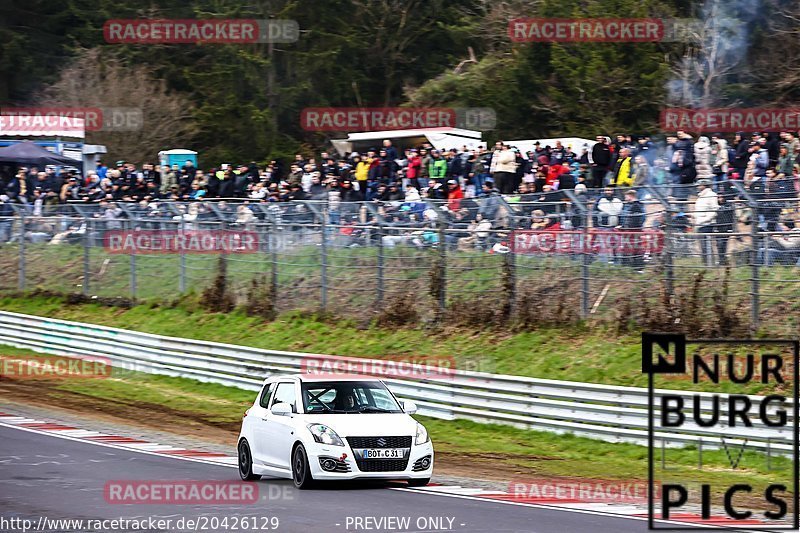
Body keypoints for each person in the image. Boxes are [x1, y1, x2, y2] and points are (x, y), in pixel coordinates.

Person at [618, 189, 645, 271]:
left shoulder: (636, 206)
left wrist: (626, 227)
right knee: (632, 248)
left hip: (632, 231)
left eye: (626, 196)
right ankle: (633, 267)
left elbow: (635, 219)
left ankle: (635, 267)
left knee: (633, 248)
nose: (625, 198)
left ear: (630, 196)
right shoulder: (634, 205)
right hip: (631, 231)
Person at [693, 178, 719, 266]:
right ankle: (706, 264)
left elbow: (714, 210)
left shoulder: (711, 195)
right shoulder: (700, 196)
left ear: (704, 185)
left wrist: (706, 219)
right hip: (700, 224)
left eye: (700, 185)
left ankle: (710, 264)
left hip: (707, 224)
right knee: (702, 245)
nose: (698, 186)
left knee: (706, 245)